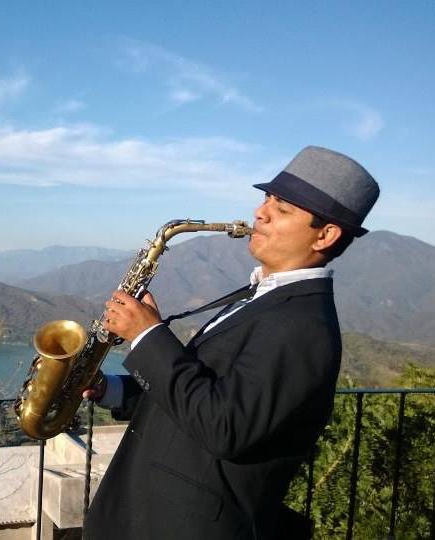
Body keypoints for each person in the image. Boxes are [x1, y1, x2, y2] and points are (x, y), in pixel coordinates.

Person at [82, 146, 380, 539]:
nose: (261, 212)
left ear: (325, 235)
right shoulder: (262, 300)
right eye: (267, 198)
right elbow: (199, 395)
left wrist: (146, 335)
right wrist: (111, 389)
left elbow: (227, 427)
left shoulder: (304, 327)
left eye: (284, 209)